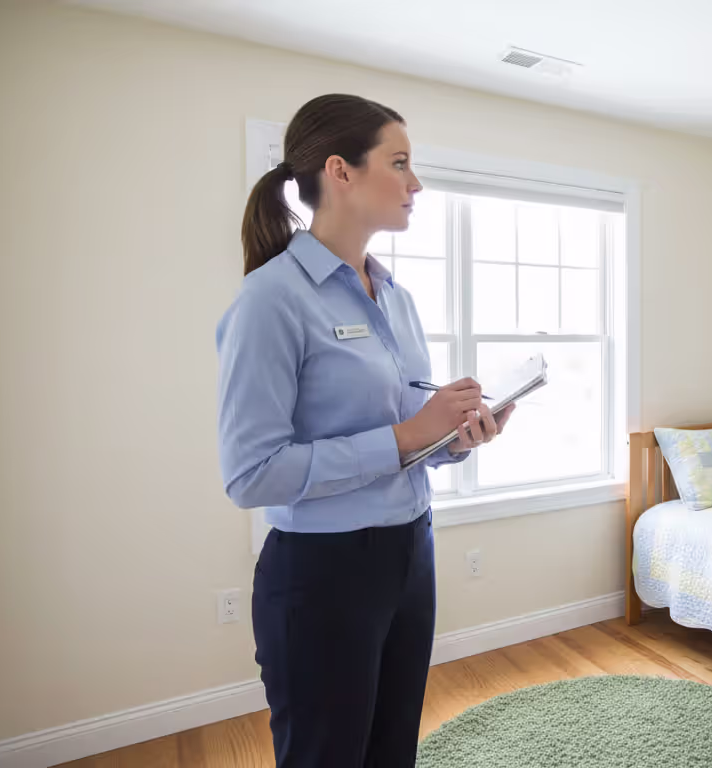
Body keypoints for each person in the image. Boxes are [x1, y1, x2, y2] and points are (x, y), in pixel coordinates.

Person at [216, 93, 513, 767]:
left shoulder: (397, 299)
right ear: (340, 172)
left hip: (412, 556)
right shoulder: (271, 299)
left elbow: (408, 437)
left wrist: (454, 439)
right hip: (322, 575)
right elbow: (250, 473)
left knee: (391, 753)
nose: (416, 184)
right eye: (400, 162)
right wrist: (408, 436)